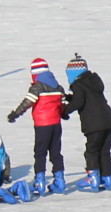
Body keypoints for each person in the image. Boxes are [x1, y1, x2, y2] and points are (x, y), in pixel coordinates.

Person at [7, 58, 66, 195]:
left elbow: (27, 102)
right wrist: (63, 114)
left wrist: (15, 114)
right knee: (56, 153)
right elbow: (62, 105)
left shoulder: (37, 87)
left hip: (42, 125)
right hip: (56, 125)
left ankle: (39, 182)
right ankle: (60, 180)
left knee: (40, 153)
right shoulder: (58, 87)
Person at [63, 54, 111, 191]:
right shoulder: (93, 82)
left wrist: (63, 111)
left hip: (94, 124)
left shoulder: (78, 84)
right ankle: (107, 179)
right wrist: (69, 97)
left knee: (91, 151)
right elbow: (86, 97)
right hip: (109, 121)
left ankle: (93, 179)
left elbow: (79, 101)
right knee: (104, 151)